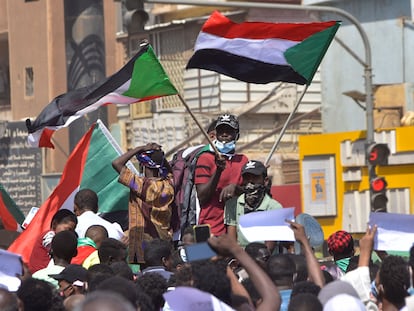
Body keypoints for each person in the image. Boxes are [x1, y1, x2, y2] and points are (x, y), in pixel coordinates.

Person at [112, 142, 175, 263]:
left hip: (144, 242)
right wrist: (160, 156)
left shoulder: (141, 185)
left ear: (144, 166)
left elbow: (116, 163)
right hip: (164, 239)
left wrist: (139, 148)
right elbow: (168, 170)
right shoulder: (169, 184)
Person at [195, 114, 249, 235]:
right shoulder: (205, 158)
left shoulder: (243, 160)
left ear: (237, 136)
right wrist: (218, 171)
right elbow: (202, 197)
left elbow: (249, 192)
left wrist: (236, 189)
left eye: (229, 131)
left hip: (236, 228)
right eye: (221, 131)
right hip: (209, 227)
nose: (224, 134)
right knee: (198, 253)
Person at [224, 160, 282, 248]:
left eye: (255, 177)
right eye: (247, 178)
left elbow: (268, 249)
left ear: (265, 181)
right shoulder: (233, 204)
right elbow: (232, 243)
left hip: (264, 257)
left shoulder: (274, 208)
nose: (250, 182)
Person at [29, 209, 77, 273]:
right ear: (54, 224)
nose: (70, 233)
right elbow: (55, 246)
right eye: (68, 229)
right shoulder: (49, 235)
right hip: (40, 274)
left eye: (72, 231)